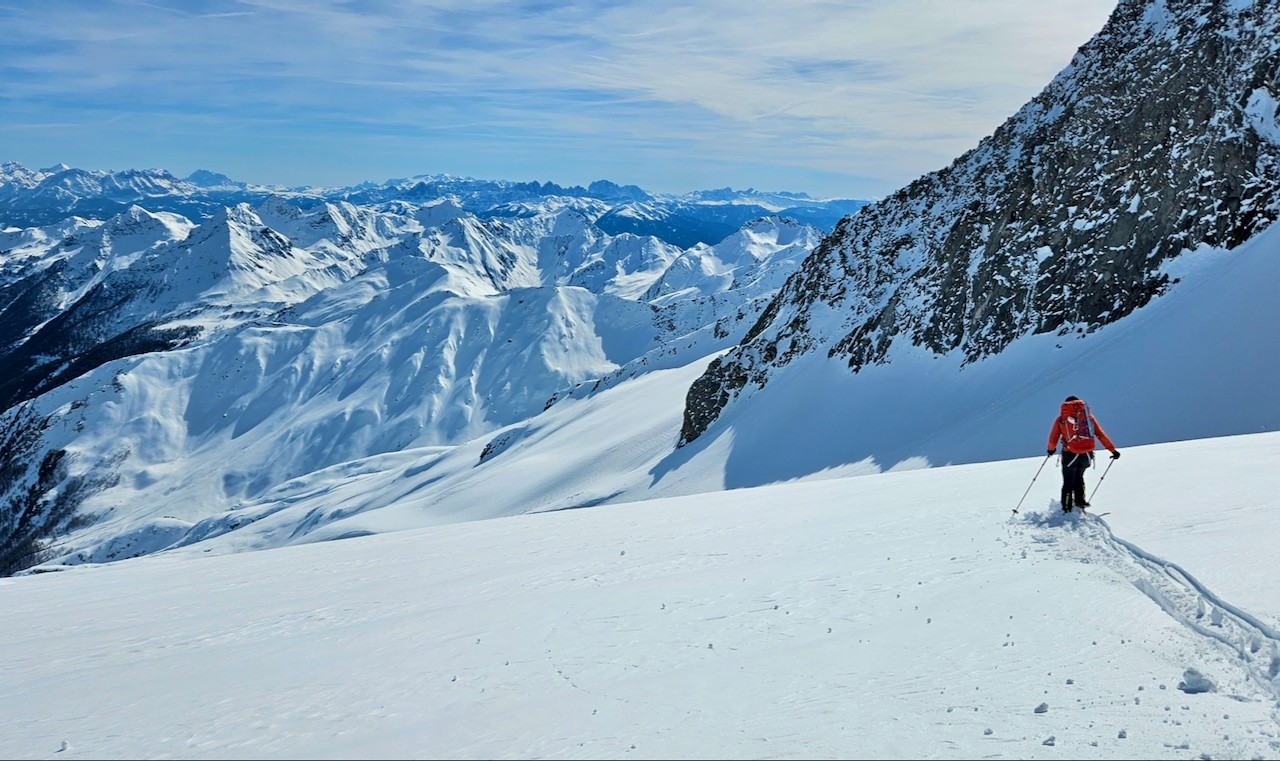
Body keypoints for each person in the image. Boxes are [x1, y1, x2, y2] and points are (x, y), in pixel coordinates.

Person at [1047, 395, 1120, 512]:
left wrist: (1051, 450)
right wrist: (1112, 450)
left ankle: (1066, 507)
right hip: (1086, 455)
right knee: (1079, 477)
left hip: (1070, 454)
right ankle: (1080, 502)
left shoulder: (1061, 418)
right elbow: (1100, 434)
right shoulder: (1088, 418)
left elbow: (1053, 438)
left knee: (1068, 482)